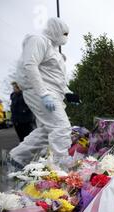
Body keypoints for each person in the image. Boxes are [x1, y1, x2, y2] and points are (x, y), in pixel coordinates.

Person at [9, 17, 73, 168]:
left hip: (52, 93)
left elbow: (55, 77)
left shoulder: (53, 50)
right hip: (41, 93)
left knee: (46, 130)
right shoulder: (38, 40)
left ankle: (16, 157)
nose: (66, 37)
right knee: (61, 127)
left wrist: (68, 92)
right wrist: (44, 94)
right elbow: (30, 65)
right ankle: (60, 167)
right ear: (56, 30)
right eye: (64, 33)